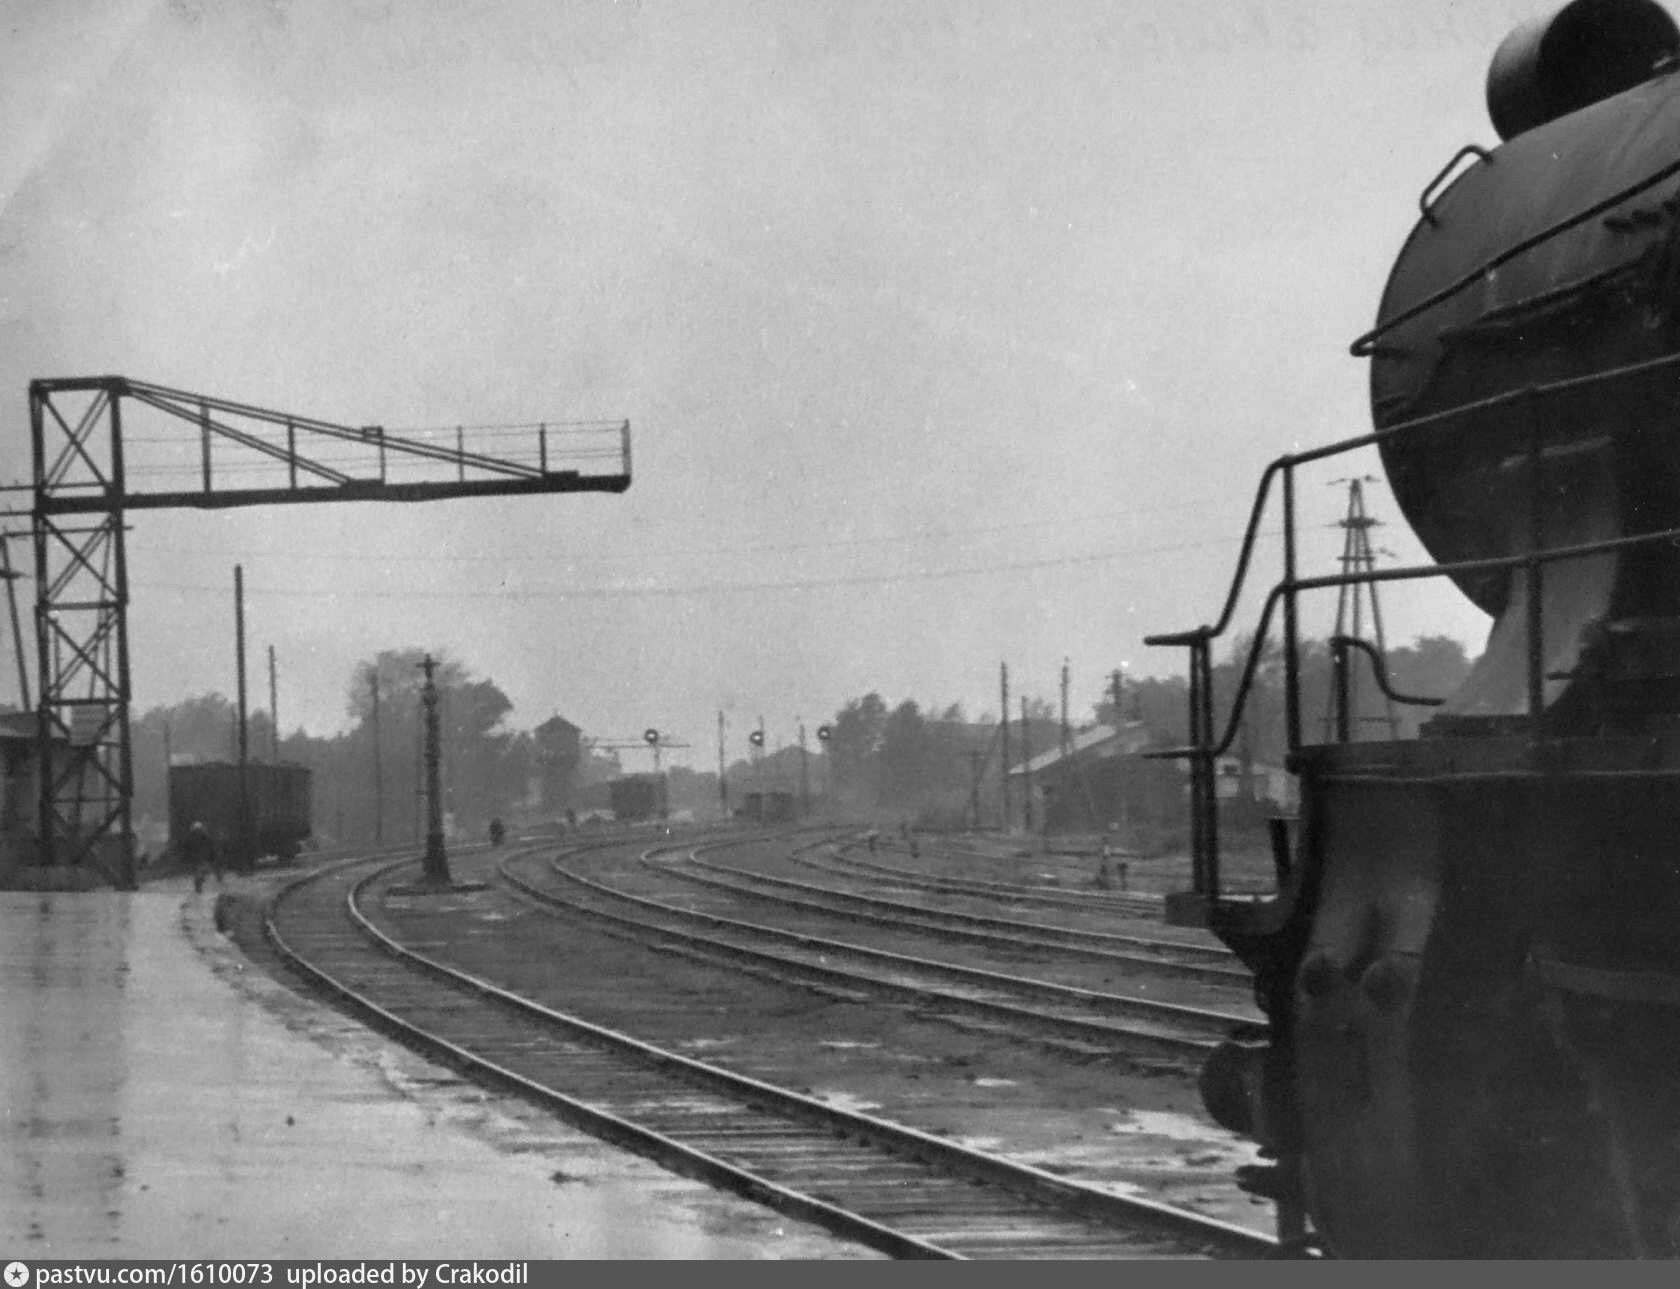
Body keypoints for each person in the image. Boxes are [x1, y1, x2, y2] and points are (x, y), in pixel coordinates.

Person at [183, 821, 221, 893]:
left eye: (198, 830)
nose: (198, 832)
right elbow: (186, 849)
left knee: (202, 871)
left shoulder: (205, 838)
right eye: (196, 831)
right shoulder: (192, 838)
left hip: (202, 858)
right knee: (201, 872)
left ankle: (199, 885)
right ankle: (199, 886)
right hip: (199, 859)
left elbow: (212, 847)